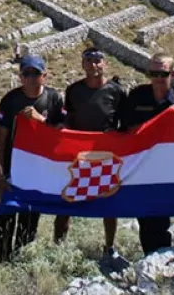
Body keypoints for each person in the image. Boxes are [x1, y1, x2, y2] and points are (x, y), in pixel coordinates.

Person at [119, 53, 174, 254]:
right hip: (140, 168)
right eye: (153, 73)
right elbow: (124, 130)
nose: (158, 78)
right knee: (144, 216)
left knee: (162, 218)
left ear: (173, 74)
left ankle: (162, 258)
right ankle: (149, 258)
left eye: (163, 73)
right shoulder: (136, 97)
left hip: (166, 171)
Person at [54, 47, 126, 258]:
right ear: (83, 64)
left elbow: (125, 123)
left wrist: (117, 133)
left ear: (105, 64)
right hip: (78, 155)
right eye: (89, 60)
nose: (93, 64)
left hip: (106, 155)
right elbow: (68, 118)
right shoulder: (73, 90)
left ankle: (109, 247)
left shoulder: (117, 92)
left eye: (97, 60)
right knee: (67, 198)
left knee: (109, 202)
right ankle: (59, 246)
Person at [0, 54, 65, 262]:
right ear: (20, 76)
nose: (32, 78)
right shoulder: (10, 100)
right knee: (4, 224)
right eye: (27, 74)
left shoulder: (54, 99)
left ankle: (21, 265)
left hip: (37, 173)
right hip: (9, 171)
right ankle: (1, 265)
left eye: (36, 74)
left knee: (29, 225)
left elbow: (61, 132)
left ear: (45, 76)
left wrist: (40, 119)